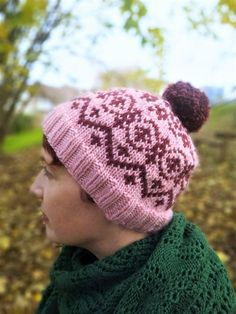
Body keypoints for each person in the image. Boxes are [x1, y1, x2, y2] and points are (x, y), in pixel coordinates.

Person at [30, 82, 236, 313]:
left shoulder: (194, 302)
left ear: (107, 196)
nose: (35, 188)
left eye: (49, 173)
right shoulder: (75, 270)